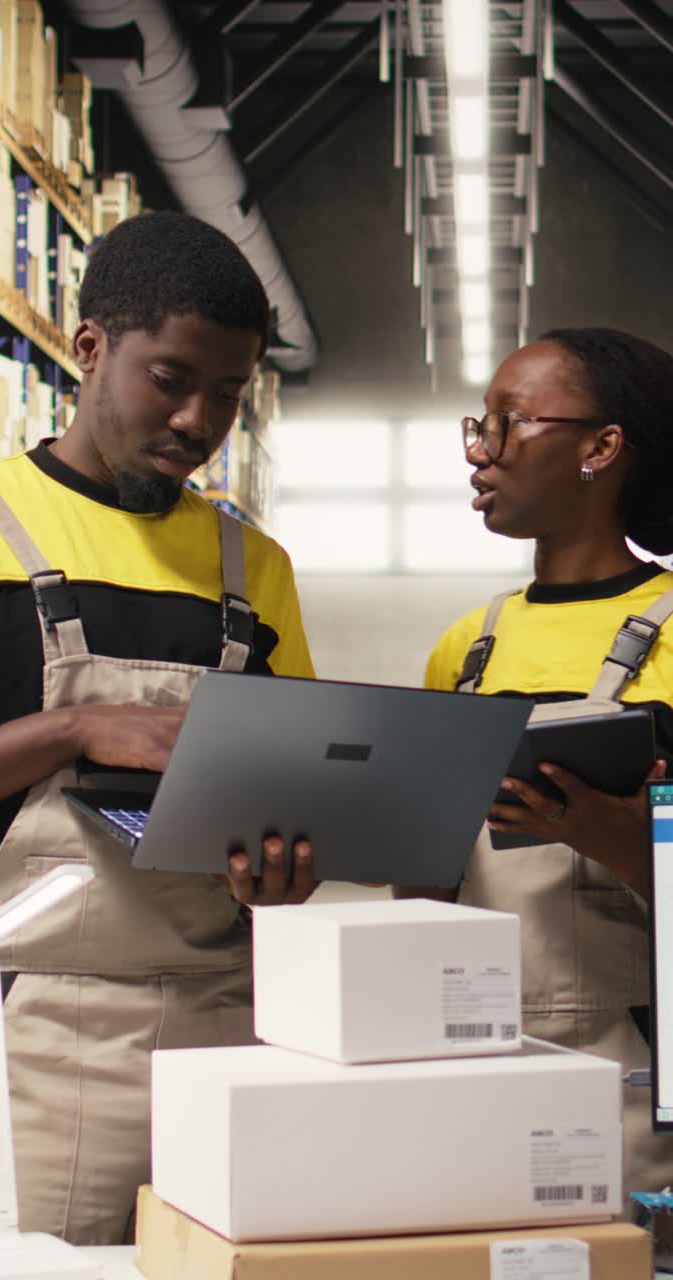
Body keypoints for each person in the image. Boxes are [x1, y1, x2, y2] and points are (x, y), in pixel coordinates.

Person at [0, 211, 317, 1244]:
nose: (199, 420)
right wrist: (73, 731)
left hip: (224, 1029)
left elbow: (294, 794)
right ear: (89, 346)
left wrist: (281, 870)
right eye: (170, 379)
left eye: (229, 393)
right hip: (21, 1033)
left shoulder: (257, 569)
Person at [425, 326, 673, 1195]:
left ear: (601, 448)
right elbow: (428, 888)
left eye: (512, 421)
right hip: (473, 1059)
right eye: (480, 424)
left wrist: (620, 841)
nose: (480, 451)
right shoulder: (466, 648)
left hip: (629, 1067)